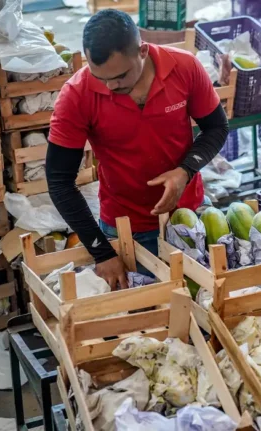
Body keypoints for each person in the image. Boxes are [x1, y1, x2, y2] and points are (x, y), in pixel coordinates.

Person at [46, 10, 229, 290]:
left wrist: (185, 171)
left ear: (142, 51)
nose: (110, 86)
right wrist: (102, 252)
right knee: (146, 312)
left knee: (203, 302)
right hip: (126, 230)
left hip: (190, 212)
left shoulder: (184, 67)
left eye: (120, 76)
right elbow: (59, 181)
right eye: (100, 77)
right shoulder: (76, 95)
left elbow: (216, 127)